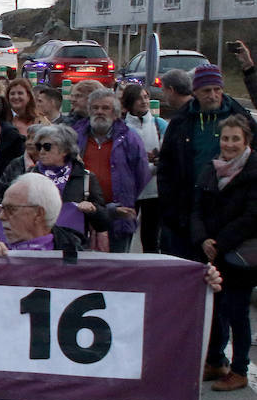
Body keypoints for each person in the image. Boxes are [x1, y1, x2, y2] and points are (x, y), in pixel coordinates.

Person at [158, 64, 249, 258]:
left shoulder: (239, 117)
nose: (213, 95)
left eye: (217, 90)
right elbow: (166, 167)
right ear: (195, 92)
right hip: (190, 210)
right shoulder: (181, 121)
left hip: (231, 211)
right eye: (207, 90)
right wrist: (171, 210)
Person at [194, 115, 257, 391]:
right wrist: (202, 238)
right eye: (225, 138)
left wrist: (218, 242)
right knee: (216, 308)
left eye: (235, 139)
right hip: (214, 250)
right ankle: (216, 360)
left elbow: (252, 217)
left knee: (237, 312)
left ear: (246, 141)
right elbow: (196, 208)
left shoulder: (253, 171)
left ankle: (240, 369)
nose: (229, 144)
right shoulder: (211, 168)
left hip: (241, 253)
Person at [73, 89, 149, 252]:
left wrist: (127, 200)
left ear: (115, 113)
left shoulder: (130, 138)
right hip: (82, 216)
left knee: (117, 270)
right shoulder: (75, 136)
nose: (99, 112)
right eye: (95, 108)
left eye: (105, 108)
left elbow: (142, 175)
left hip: (120, 217)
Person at [29, 124, 108, 239]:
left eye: (47, 147)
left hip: (72, 247)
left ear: (64, 150)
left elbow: (103, 223)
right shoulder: (29, 176)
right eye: (38, 146)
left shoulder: (85, 177)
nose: (41, 151)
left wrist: (93, 209)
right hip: (35, 244)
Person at [0, 173, 86, 255]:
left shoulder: (81, 264)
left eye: (10, 209)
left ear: (38, 214)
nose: (1, 216)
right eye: (1, 208)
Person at [122, 83, 165, 253]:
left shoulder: (158, 124)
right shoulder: (122, 127)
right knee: (126, 230)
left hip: (153, 190)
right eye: (139, 98)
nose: (144, 101)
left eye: (146, 97)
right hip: (130, 189)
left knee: (151, 236)